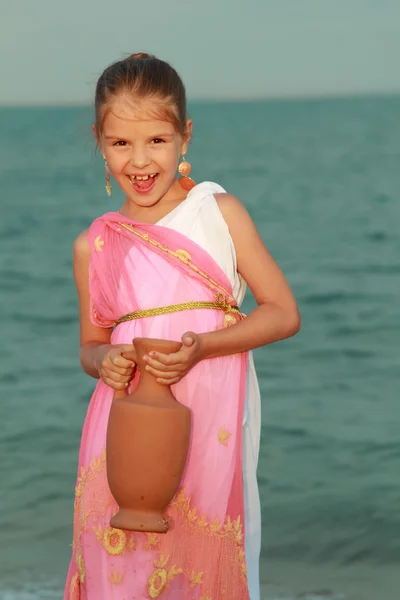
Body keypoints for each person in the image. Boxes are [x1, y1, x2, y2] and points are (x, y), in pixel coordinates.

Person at [64, 52, 300, 600]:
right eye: (121, 143)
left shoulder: (217, 213)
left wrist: (203, 348)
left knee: (195, 565)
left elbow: (282, 312)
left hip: (206, 421)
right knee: (121, 569)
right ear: (100, 140)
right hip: (123, 433)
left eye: (157, 141)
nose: (140, 160)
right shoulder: (94, 244)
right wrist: (104, 361)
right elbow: (90, 346)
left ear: (185, 137)